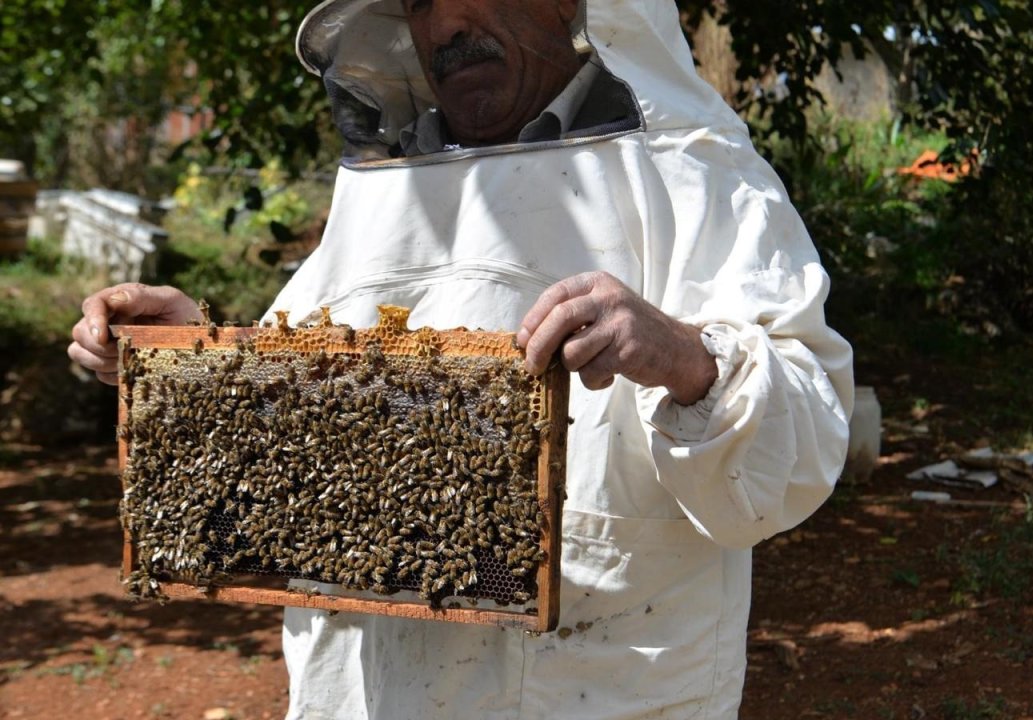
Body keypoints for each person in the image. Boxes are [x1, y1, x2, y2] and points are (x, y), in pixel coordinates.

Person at [68, 0, 855, 717]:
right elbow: (308, 393)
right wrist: (192, 350)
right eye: (414, 6)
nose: (441, 26)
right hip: (368, 691)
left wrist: (688, 359)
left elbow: (805, 448)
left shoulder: (695, 173)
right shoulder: (390, 187)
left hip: (597, 686)